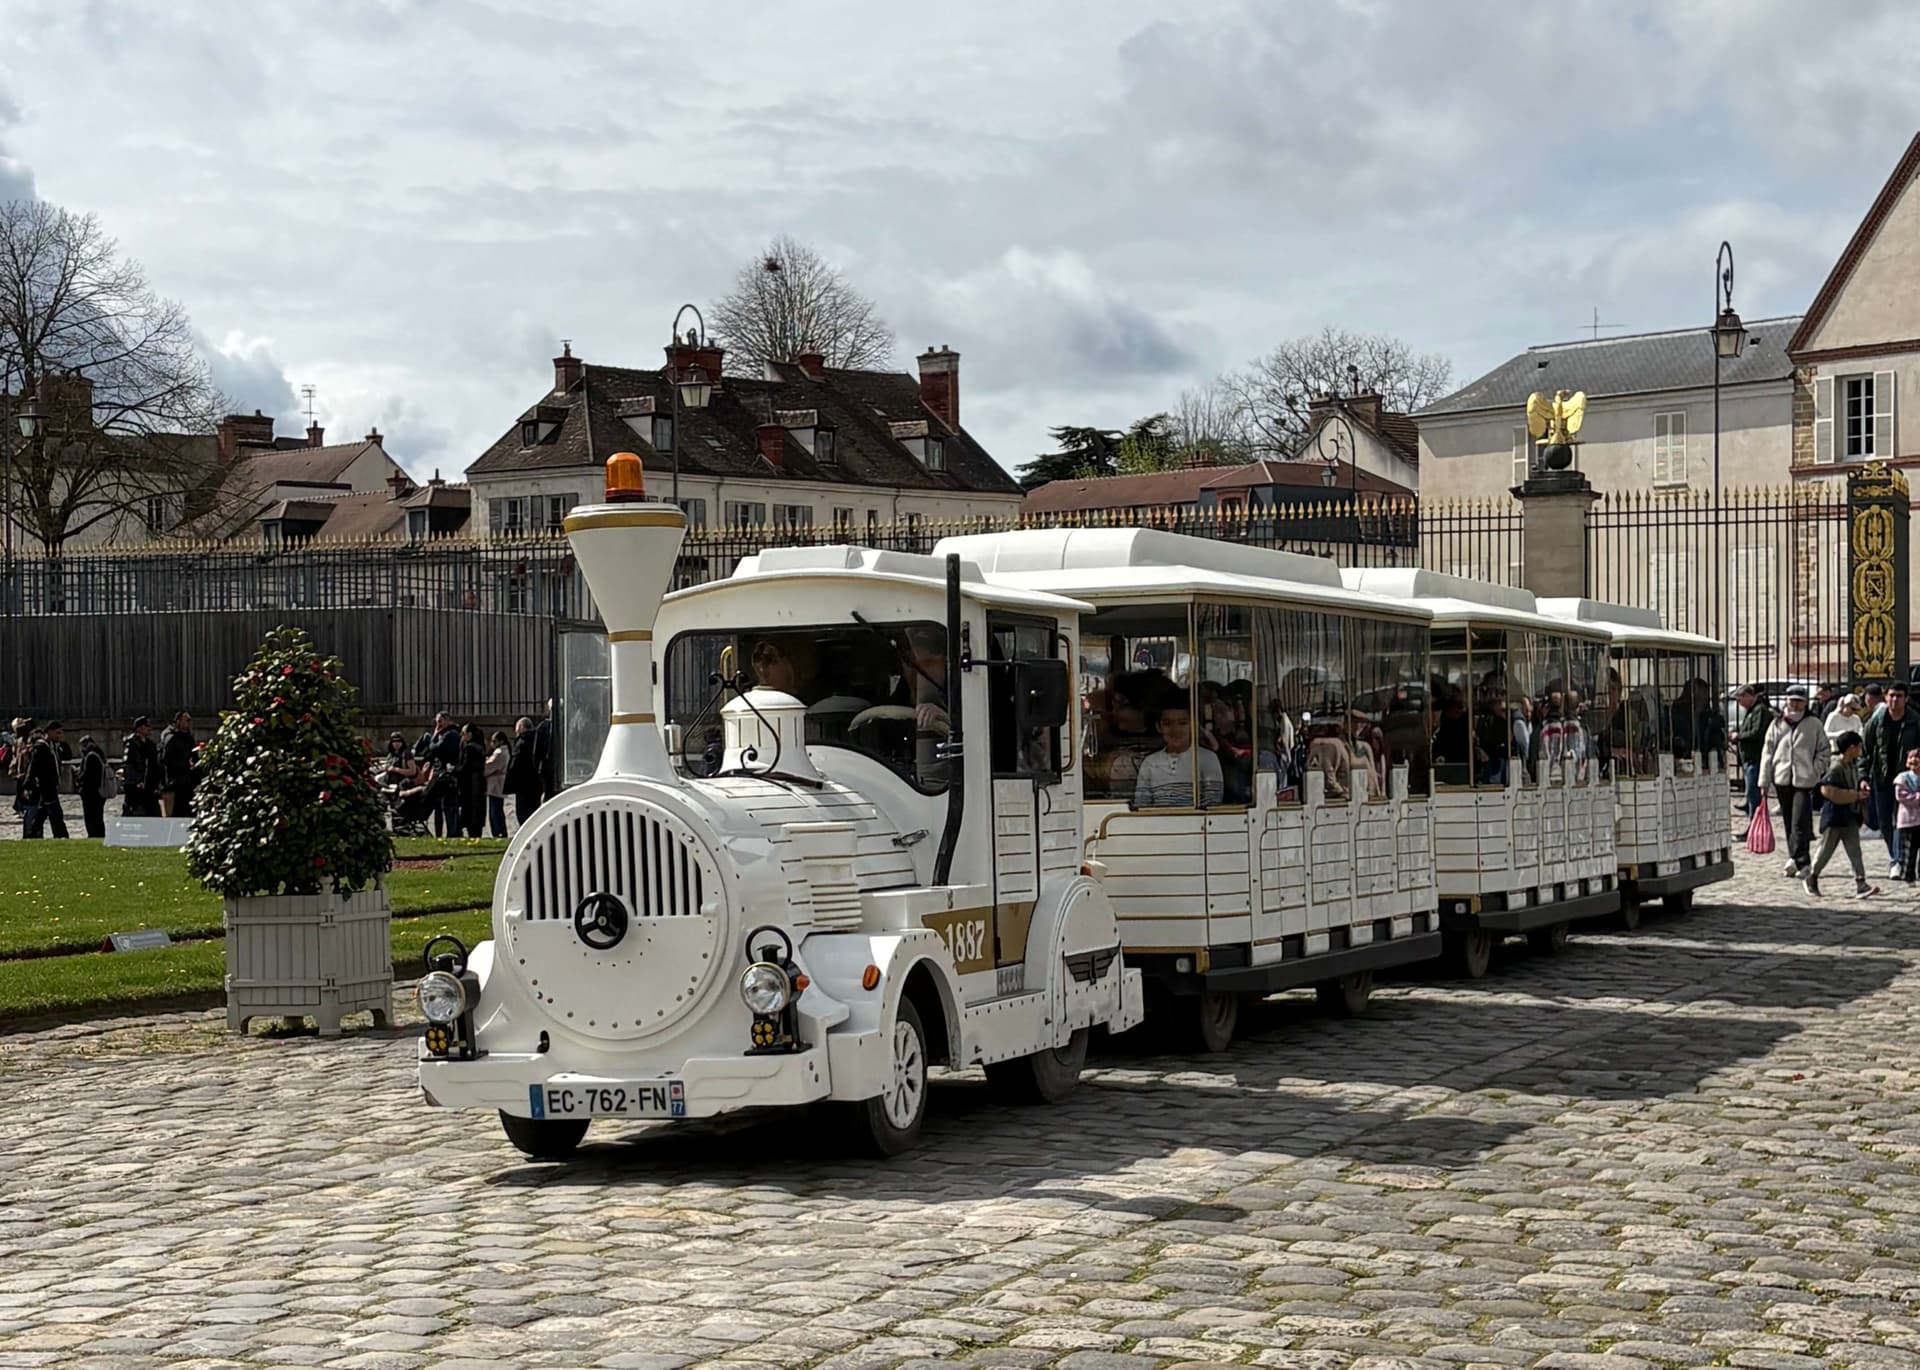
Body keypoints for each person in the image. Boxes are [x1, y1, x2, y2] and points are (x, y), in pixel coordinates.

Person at [1760, 686, 1829, 879]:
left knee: (1800, 822)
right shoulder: (1777, 723)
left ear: (1806, 703)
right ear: (1786, 701)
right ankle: (1796, 858)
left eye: (1799, 700)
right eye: (1792, 700)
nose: (1795, 704)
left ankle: (1801, 861)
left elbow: (1824, 751)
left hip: (1804, 780)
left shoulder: (1813, 724)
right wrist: (1764, 781)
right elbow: (1767, 752)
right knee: (1789, 822)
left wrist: (1815, 771)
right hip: (1782, 778)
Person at [1803, 730, 1879, 899]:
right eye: (1859, 747)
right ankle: (1812, 877)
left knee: (1855, 851)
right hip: (1835, 817)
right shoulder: (1835, 767)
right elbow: (1828, 791)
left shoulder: (1852, 765)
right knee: (1826, 850)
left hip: (1850, 815)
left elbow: (1854, 782)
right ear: (1851, 748)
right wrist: (1855, 795)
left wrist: (1861, 788)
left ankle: (1861, 883)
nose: (1860, 750)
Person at [1863, 682, 1920, 878]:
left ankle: (1898, 860)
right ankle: (1894, 856)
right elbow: (1866, 750)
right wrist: (1863, 776)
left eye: (1899, 696)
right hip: (1882, 777)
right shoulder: (1876, 721)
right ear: (1885, 697)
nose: (1895, 700)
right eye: (1891, 696)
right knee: (1885, 821)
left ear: (1906, 699)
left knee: (1902, 822)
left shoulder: (1915, 721)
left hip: (1907, 779)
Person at [1133, 701, 1224, 809]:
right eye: (1168, 724)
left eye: (1182, 723)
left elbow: (1212, 803)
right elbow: (1142, 805)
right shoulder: (1149, 762)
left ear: (1193, 725)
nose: (1175, 730)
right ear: (1158, 727)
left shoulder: (1207, 758)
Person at [414, 712, 464, 836]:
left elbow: (435, 748)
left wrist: (435, 735)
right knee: (439, 806)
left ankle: (453, 833)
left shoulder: (451, 734)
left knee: (449, 806)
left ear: (447, 721)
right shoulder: (443, 734)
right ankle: (440, 832)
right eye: (436, 721)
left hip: (446, 775)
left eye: (440, 721)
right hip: (440, 773)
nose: (438, 724)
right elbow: (427, 752)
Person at [21, 721, 69, 840]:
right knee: (56, 812)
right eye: (57, 732)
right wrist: (28, 785)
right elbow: (33, 767)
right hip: (46, 785)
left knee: (42, 813)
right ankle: (61, 835)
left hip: (52, 784)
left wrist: (63, 742)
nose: (59, 735)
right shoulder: (41, 747)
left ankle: (32, 834)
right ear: (49, 732)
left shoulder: (54, 746)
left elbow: (68, 755)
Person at [1736, 685, 1772, 836]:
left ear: (1749, 696)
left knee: (1754, 795)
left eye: (1740, 699)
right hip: (1749, 759)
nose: (1739, 703)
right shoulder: (1752, 711)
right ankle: (1753, 826)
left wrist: (1739, 737)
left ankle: (1754, 828)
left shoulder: (1759, 710)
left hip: (1755, 758)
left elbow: (1757, 732)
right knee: (1751, 794)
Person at [158, 710, 199, 818]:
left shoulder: (189, 738)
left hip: (188, 781)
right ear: (178, 722)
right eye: (187, 720)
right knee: (176, 813)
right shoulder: (171, 737)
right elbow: (165, 759)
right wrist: (184, 765)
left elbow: (194, 756)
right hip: (175, 782)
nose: (189, 723)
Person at [121, 716, 162, 818]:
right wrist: (137, 780)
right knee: (135, 813)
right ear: (139, 728)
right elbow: (128, 764)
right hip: (135, 787)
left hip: (149, 786)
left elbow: (154, 765)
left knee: (154, 813)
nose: (149, 729)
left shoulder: (151, 745)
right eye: (146, 726)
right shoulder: (131, 744)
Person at [1894, 748, 1920, 887]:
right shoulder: (1902, 777)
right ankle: (1908, 876)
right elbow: (1901, 796)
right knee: (1908, 851)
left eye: (1917, 758)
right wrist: (1917, 797)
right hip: (1908, 820)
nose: (1914, 760)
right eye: (1911, 757)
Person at [458, 723, 488, 839]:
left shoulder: (469, 747)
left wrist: (453, 770)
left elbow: (464, 766)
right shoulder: (480, 747)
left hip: (470, 783)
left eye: (463, 733)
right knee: (476, 814)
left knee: (470, 812)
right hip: (479, 782)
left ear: (469, 735)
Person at [76, 734, 110, 839]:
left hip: (91, 793)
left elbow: (87, 775)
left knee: (92, 816)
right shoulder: (98, 755)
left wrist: (78, 777)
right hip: (97, 792)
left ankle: (94, 834)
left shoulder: (91, 757)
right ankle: (98, 834)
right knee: (97, 816)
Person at [484, 729, 510, 838]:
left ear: (500, 741)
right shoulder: (505, 751)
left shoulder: (499, 752)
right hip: (498, 782)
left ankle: (498, 831)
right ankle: (499, 830)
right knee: (497, 809)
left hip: (496, 783)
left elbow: (489, 766)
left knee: (495, 811)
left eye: (494, 741)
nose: (492, 744)